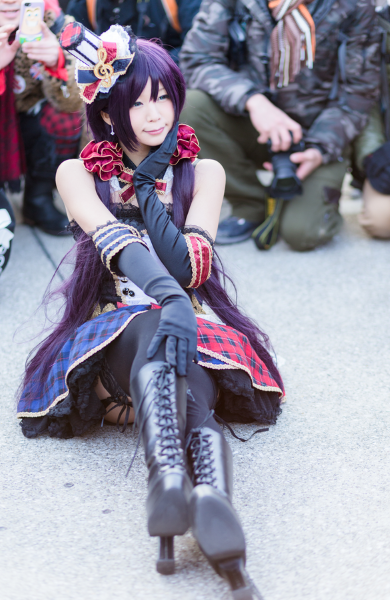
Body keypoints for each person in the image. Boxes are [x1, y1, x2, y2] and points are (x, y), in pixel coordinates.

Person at [17, 21, 284, 598]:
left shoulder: (204, 172)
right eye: (137, 102)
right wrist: (171, 300)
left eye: (162, 97)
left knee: (182, 370)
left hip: (189, 331)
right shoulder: (77, 173)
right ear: (109, 111)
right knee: (160, 330)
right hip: (115, 331)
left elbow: (190, 267)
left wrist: (148, 182)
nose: (154, 113)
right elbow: (117, 243)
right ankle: (199, 492)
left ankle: (186, 487)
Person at [180, 0, 380, 250]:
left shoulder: (355, 5)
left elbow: (359, 93)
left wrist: (320, 149)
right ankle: (250, 202)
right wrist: (252, 101)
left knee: (303, 233)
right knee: (191, 106)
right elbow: (196, 61)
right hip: (250, 123)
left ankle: (300, 196)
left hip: (318, 134)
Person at [0, 0, 83, 235]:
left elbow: (75, 103)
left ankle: (38, 198)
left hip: (31, 124)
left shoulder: (57, 26)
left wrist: (57, 64)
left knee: (67, 119)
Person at [350, 3, 390, 239]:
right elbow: (363, 98)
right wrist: (373, 156)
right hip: (385, 149)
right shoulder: (374, 26)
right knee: (381, 220)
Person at [66, 0, 202, 63]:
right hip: (109, 84)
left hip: (166, 79)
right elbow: (74, 54)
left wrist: (149, 70)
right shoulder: (86, 3)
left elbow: (196, 50)